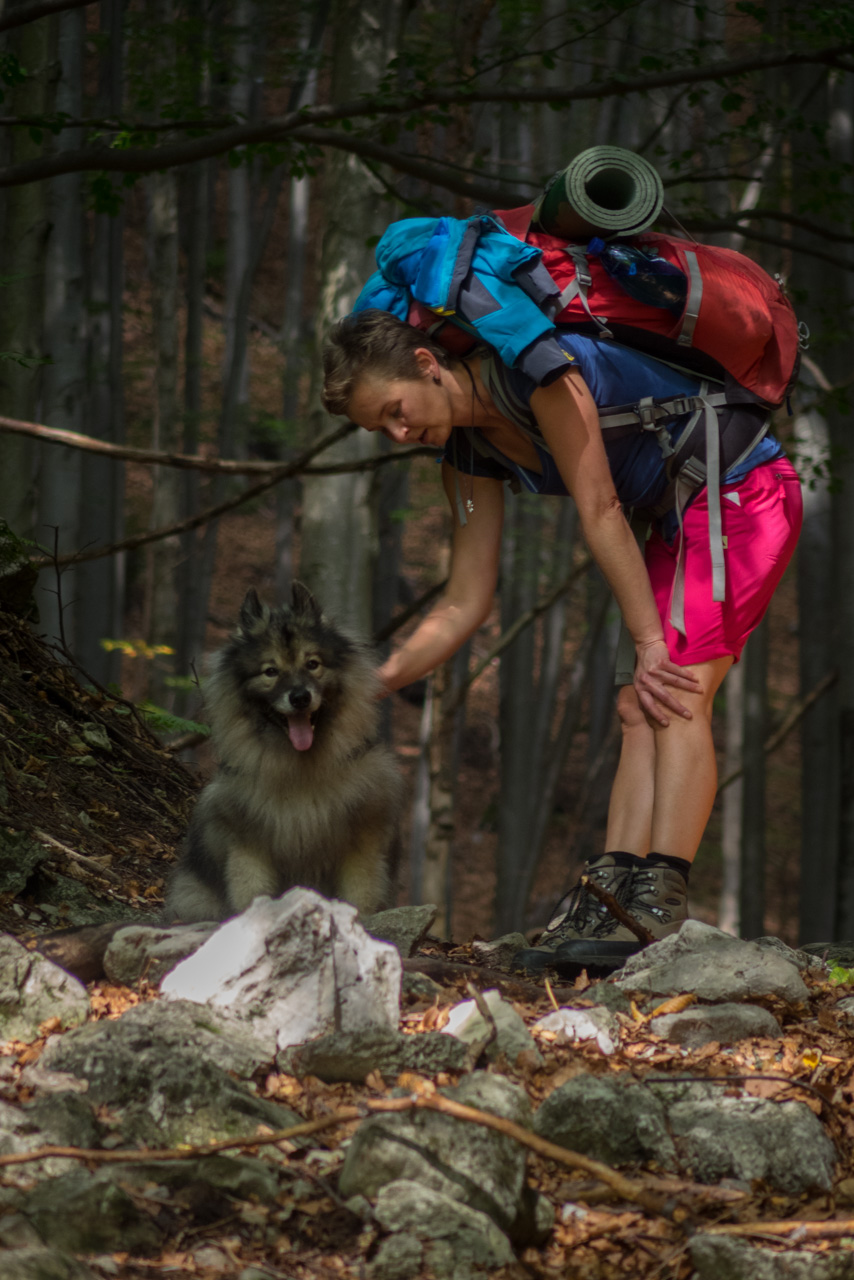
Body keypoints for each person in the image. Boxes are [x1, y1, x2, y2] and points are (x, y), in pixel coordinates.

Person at [320, 308, 803, 974]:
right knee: (637, 705)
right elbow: (463, 599)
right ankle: (612, 900)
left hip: (740, 491)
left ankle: (659, 901)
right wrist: (377, 679)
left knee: (678, 690)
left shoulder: (540, 373)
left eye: (397, 409)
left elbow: (601, 509)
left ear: (428, 365)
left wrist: (648, 639)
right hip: (675, 519)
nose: (400, 432)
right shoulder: (467, 454)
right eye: (382, 427)